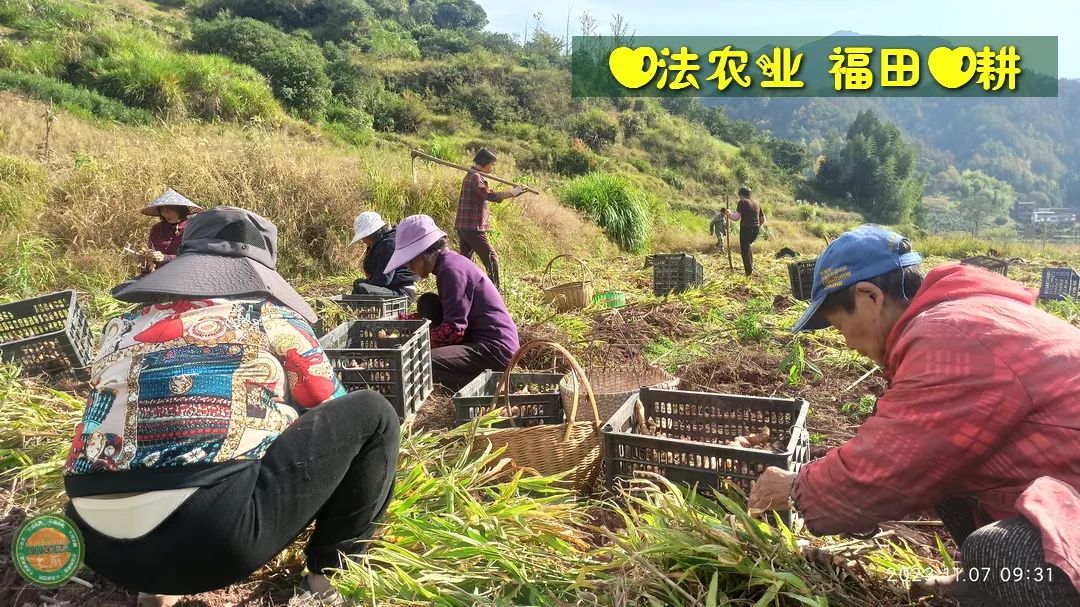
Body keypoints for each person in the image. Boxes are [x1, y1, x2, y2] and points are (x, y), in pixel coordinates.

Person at [64, 207, 400, 607]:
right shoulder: (269, 317)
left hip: (93, 539)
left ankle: (156, 587)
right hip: (213, 538)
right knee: (374, 414)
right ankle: (325, 576)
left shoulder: (121, 326)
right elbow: (327, 404)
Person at [748, 225, 1080, 607]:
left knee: (998, 554)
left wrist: (795, 487)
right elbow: (913, 449)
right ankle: (979, 583)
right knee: (945, 475)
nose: (848, 343)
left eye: (841, 327)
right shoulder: (967, 315)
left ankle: (1001, 579)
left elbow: (886, 469)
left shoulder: (950, 336)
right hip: (1064, 482)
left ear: (870, 297)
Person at [385, 214, 520, 392]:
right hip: (480, 341)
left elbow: (454, 331)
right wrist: (404, 321)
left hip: (494, 349)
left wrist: (413, 344)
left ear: (423, 254)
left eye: (409, 262)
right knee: (428, 304)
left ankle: (487, 384)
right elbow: (449, 312)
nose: (409, 268)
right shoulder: (447, 264)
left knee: (421, 361)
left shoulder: (451, 271)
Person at [455, 147, 526, 290]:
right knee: (491, 258)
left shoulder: (473, 175)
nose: (492, 168)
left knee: (467, 263)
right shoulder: (475, 177)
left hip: (465, 227)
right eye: (491, 164)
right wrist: (513, 192)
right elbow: (490, 195)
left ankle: (467, 291)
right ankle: (494, 293)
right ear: (484, 163)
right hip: (472, 228)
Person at [349, 211, 419, 300]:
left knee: (361, 289)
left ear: (372, 233)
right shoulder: (383, 242)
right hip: (393, 287)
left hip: (402, 292)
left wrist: (365, 285)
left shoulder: (389, 244)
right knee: (358, 283)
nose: (363, 241)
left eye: (363, 237)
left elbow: (384, 279)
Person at [138, 188, 202, 275]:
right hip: (156, 275)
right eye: (163, 210)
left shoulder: (192, 228)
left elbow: (192, 256)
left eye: (170, 210)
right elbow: (150, 254)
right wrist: (147, 259)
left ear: (180, 210)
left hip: (182, 274)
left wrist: (165, 258)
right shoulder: (157, 229)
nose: (166, 214)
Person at [729, 186, 765, 276]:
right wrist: (757, 226)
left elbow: (736, 218)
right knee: (748, 248)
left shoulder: (743, 202)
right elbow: (762, 218)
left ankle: (748, 273)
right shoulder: (756, 203)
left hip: (746, 229)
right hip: (756, 229)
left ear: (741, 195)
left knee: (744, 252)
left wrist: (728, 214)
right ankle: (750, 269)